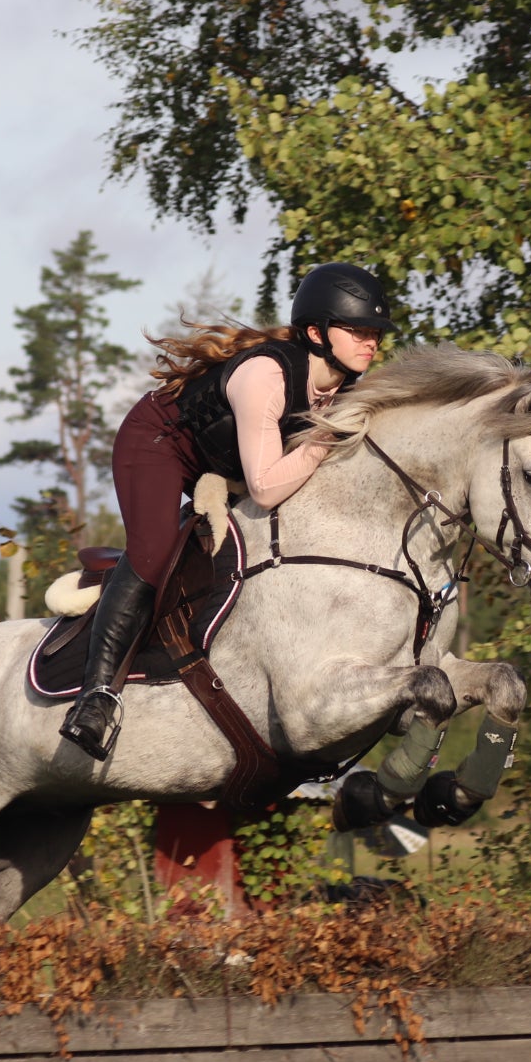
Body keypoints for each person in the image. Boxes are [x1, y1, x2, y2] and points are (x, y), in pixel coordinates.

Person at [60, 262, 396, 760]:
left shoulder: (350, 387)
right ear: (315, 333)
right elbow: (264, 488)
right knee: (153, 555)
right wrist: (327, 437)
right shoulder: (266, 374)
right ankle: (96, 697)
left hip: (226, 462)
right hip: (159, 444)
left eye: (375, 333)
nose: (371, 341)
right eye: (358, 330)